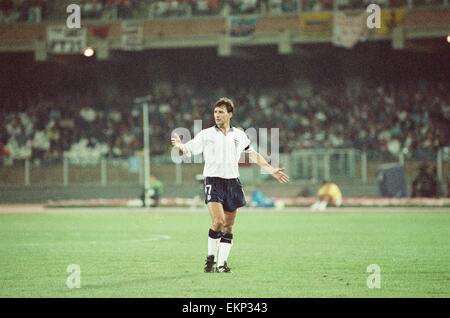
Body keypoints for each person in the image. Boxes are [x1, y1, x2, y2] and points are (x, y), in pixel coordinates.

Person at [170, 97, 289, 273]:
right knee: (218, 221)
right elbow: (188, 148)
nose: (217, 115)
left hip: (233, 182)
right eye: (215, 112)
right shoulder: (206, 134)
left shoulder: (239, 136)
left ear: (230, 114)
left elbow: (253, 155)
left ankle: (221, 264)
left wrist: (271, 170)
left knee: (228, 226)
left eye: (221, 112)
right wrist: (180, 145)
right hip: (213, 180)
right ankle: (210, 258)